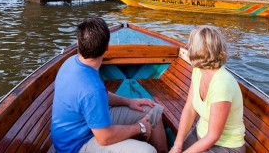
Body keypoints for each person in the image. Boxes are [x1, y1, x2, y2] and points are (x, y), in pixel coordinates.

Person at [51, 17, 167, 153]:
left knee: (154, 111)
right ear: (107, 47)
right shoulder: (92, 88)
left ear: (78, 43)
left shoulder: (71, 62)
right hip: (77, 145)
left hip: (86, 125)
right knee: (147, 151)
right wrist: (139, 127)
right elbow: (104, 138)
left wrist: (129, 101)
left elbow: (98, 97)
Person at [170, 26, 245, 153]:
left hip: (226, 146)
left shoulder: (222, 84)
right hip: (200, 134)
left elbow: (213, 136)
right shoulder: (198, 71)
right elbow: (190, 109)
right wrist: (177, 145)